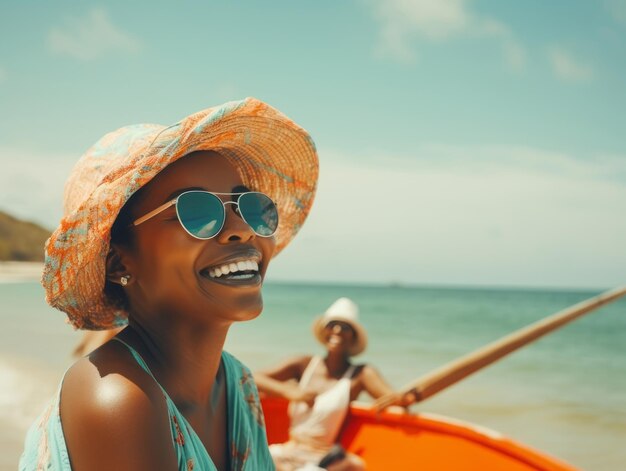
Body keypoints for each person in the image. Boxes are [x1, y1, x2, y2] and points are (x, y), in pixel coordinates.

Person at [19, 97, 318, 470]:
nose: (242, 229)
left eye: (250, 206)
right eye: (195, 210)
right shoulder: (117, 398)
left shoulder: (236, 382)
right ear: (117, 262)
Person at [254, 297, 417, 471]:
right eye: (332, 325)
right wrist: (289, 392)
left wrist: (406, 398)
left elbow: (391, 398)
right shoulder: (303, 364)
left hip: (323, 459)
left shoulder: (360, 374)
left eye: (345, 327)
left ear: (353, 337)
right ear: (324, 331)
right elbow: (251, 377)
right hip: (288, 451)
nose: (337, 330)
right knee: (253, 458)